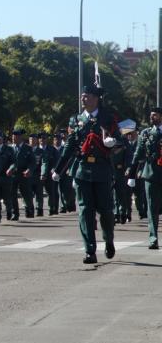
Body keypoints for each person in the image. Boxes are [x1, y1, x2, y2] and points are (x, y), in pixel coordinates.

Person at [53, 84, 119, 264]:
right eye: (82, 96)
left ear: (96, 98)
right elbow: (69, 146)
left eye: (87, 96)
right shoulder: (76, 120)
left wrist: (112, 143)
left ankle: (109, 239)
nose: (83, 99)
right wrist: (58, 169)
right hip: (82, 170)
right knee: (84, 211)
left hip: (102, 171)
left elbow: (120, 142)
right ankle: (90, 250)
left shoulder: (107, 118)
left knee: (105, 211)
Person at [128, 108, 162, 250]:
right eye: (151, 115)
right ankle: (153, 238)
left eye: (154, 115)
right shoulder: (146, 133)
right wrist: (132, 174)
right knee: (152, 208)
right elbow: (138, 154)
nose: (152, 117)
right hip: (151, 174)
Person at [0, 131, 16, 222]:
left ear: (2, 139)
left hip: (6, 177)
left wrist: (10, 169)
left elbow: (14, 162)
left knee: (7, 198)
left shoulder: (9, 149)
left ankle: (9, 212)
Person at [12, 129, 34, 219]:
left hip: (24, 174)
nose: (14, 138)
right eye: (13, 136)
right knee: (12, 194)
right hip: (13, 175)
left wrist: (29, 170)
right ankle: (15, 213)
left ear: (20, 137)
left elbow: (32, 162)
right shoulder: (10, 148)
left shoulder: (28, 148)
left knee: (26, 194)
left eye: (16, 136)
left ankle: (29, 210)